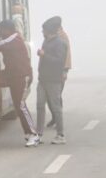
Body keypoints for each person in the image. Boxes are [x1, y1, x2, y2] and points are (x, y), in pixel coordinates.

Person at [0, 20, 38, 147]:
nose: (0, 33)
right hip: (10, 74)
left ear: (8, 29)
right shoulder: (10, 38)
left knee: (20, 105)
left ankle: (33, 134)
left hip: (21, 76)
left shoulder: (14, 39)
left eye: (1, 30)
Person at [34, 17, 68, 146]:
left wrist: (44, 55)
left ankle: (60, 134)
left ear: (49, 30)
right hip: (42, 79)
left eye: (43, 30)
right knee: (40, 105)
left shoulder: (60, 43)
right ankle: (39, 134)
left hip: (54, 80)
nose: (42, 32)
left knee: (56, 107)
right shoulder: (46, 41)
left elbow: (59, 62)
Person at [46, 16, 72, 129]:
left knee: (56, 96)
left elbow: (66, 55)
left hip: (60, 70)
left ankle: (58, 119)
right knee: (50, 96)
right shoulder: (54, 36)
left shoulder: (62, 36)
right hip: (51, 70)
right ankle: (55, 118)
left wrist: (65, 70)